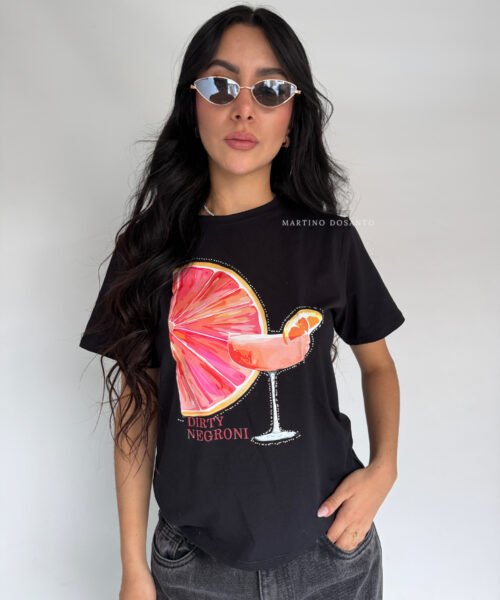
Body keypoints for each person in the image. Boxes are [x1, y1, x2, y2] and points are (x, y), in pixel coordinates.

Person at [79, 5, 405, 600]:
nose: (244, 108)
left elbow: (378, 364)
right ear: (193, 105)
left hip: (330, 553)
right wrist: (132, 566)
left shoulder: (327, 239)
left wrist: (384, 469)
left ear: (292, 119)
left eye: (271, 90)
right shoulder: (148, 247)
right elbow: (139, 404)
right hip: (194, 567)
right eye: (221, 86)